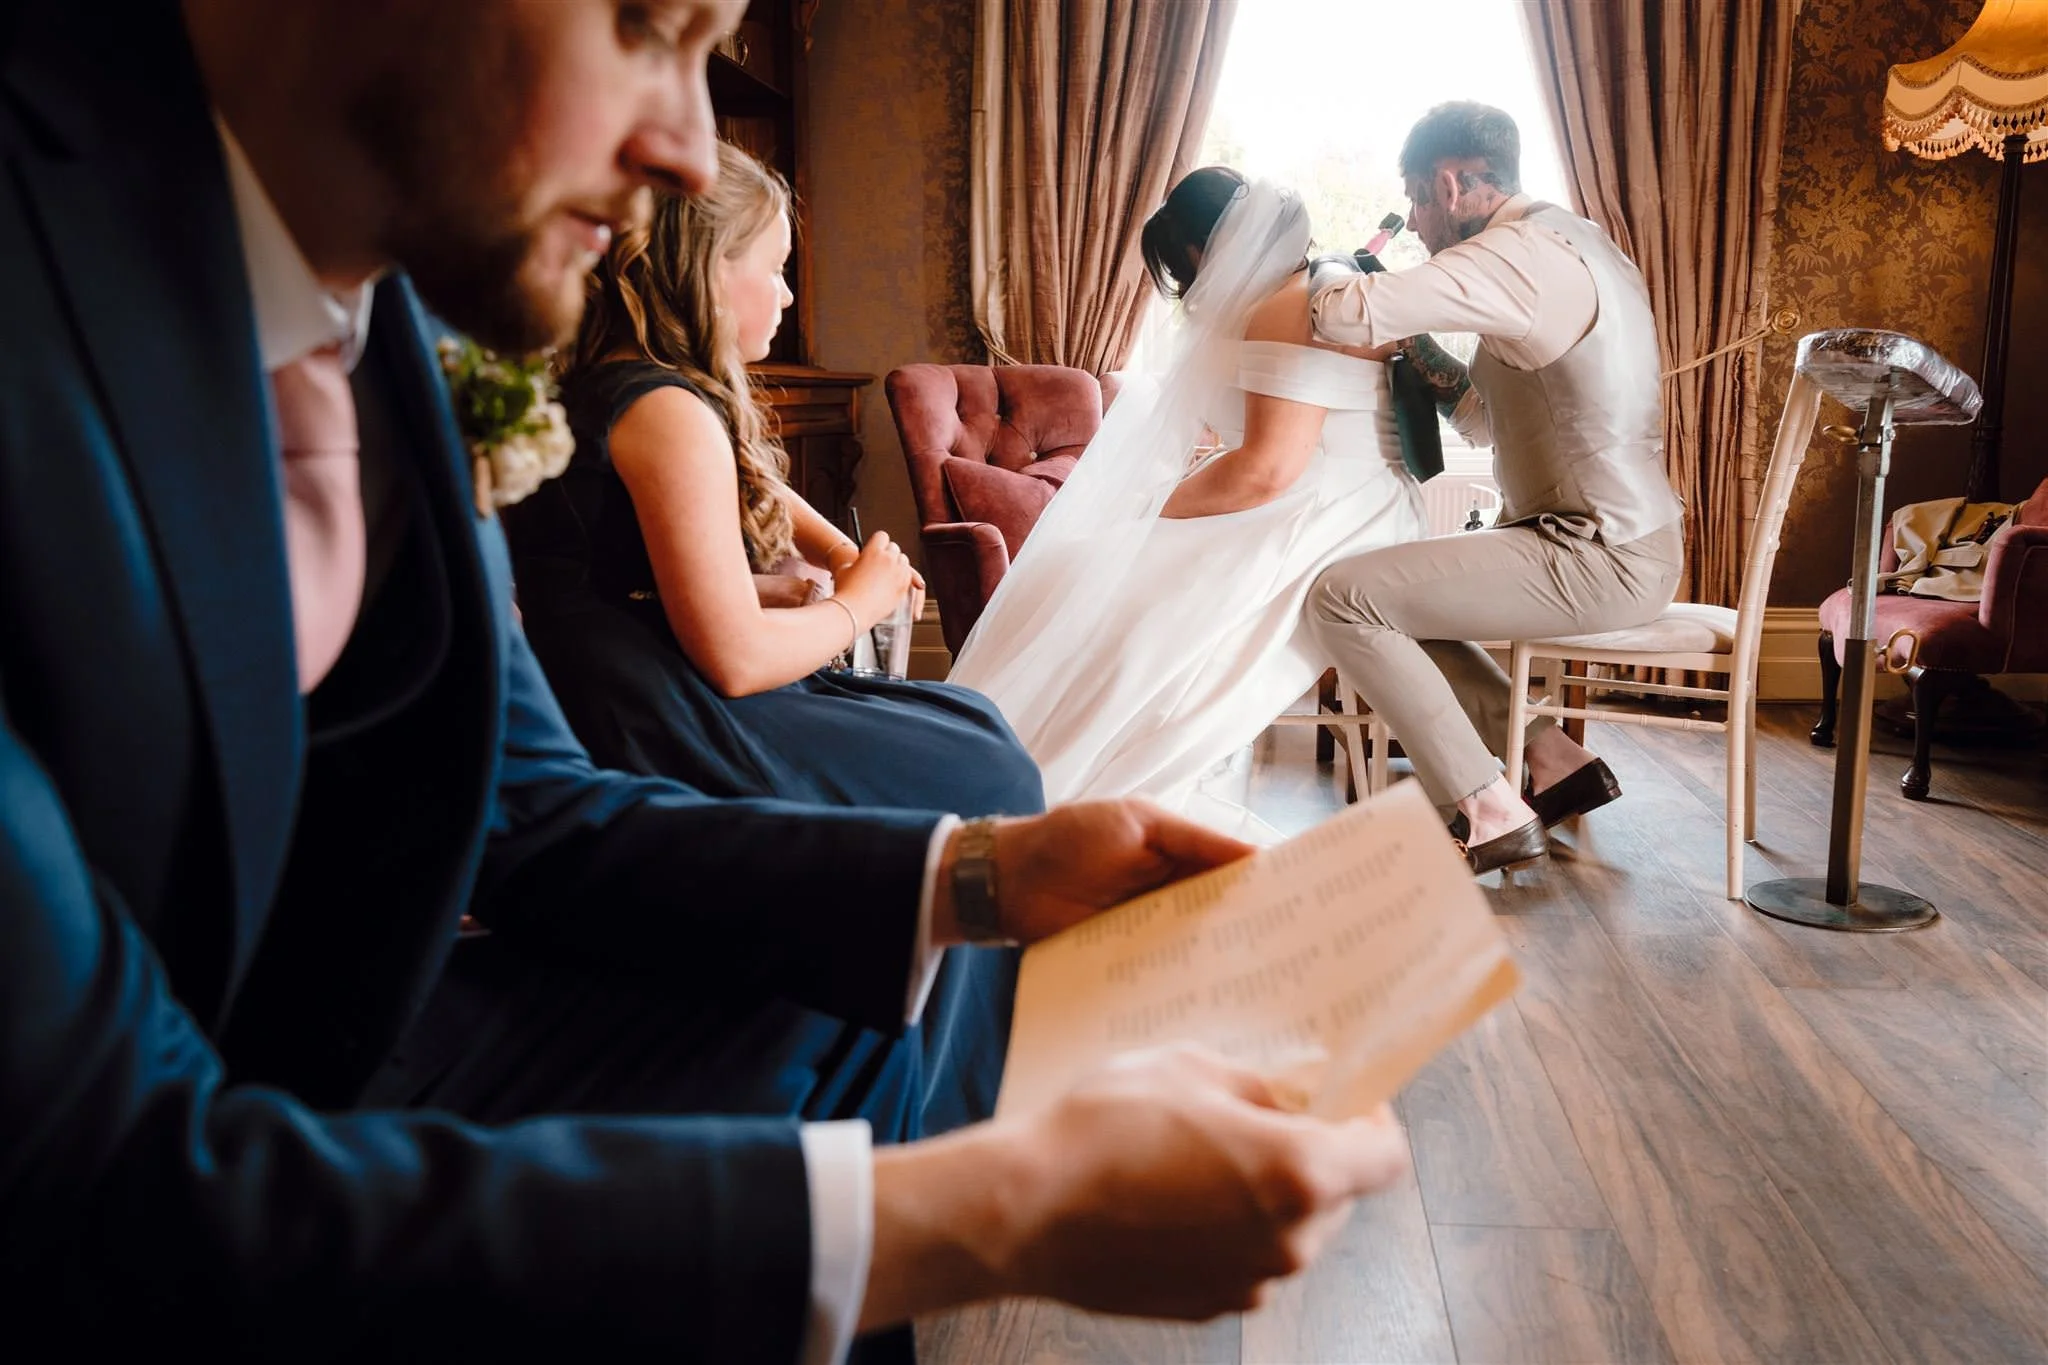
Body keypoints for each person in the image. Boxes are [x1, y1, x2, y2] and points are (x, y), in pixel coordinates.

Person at [0, 3, 1412, 1362]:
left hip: (366, 1020)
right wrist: (997, 1212)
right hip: (157, 1146)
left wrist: (981, 877)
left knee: (866, 1006)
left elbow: (533, 811)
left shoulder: (384, 311)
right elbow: (93, 1191)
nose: (687, 147)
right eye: (643, 25)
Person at [503, 146, 1042, 818]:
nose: (787, 294)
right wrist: (857, 603)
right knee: (989, 769)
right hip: (653, 721)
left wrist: (826, 561)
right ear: (710, 270)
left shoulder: (612, 389)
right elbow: (737, 658)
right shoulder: (665, 412)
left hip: (619, 688)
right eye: (777, 269)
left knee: (971, 719)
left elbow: (616, 573)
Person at [948, 167, 1427, 837]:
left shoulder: (1283, 308)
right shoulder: (1317, 287)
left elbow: (1265, 471)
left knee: (1119, 585)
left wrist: (1147, 513)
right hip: (1356, 500)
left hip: (1327, 512)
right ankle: (1031, 770)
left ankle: (1043, 785)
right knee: (1093, 570)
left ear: (1204, 252)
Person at [1304, 101, 1685, 874]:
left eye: (1414, 197)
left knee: (1342, 596)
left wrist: (1331, 262)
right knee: (1402, 597)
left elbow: (1342, 314)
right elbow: (1482, 420)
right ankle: (1555, 761)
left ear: (1449, 185)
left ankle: (1488, 808)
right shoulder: (1579, 243)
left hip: (1596, 553)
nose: (1413, 220)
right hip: (1622, 540)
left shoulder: (1514, 255)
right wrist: (1417, 345)